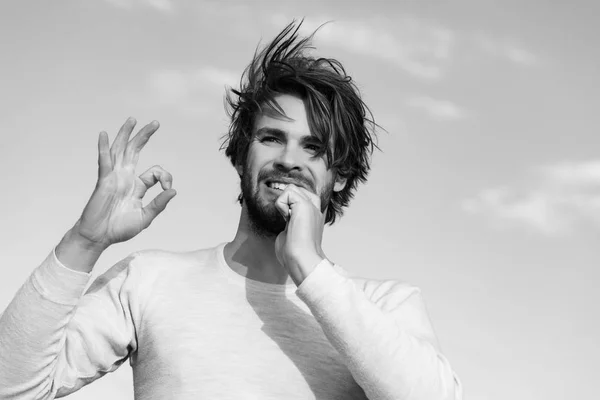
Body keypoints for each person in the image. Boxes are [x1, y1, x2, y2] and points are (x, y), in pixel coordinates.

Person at [0, 21, 462, 399]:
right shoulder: (148, 280)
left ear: (339, 175)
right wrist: (85, 241)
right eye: (271, 137)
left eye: (313, 147)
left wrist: (310, 269)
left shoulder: (386, 306)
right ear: (241, 153)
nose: (288, 160)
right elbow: (13, 388)